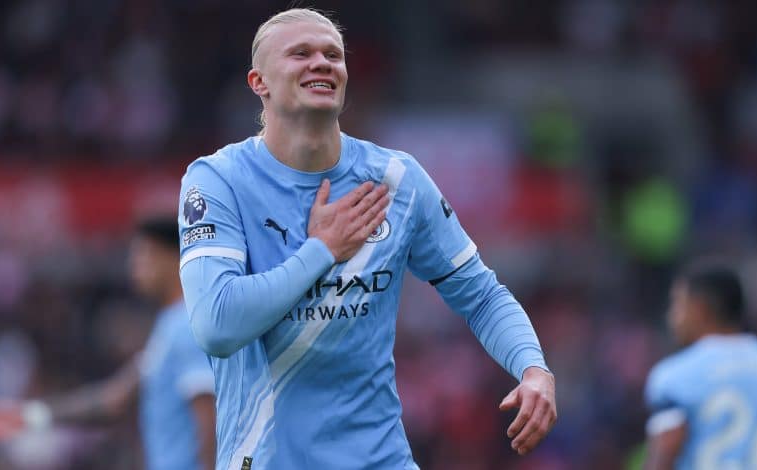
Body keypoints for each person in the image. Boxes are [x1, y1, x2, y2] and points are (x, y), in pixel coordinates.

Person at [178, 8, 556, 469]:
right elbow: (217, 326)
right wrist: (321, 251)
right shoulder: (219, 180)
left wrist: (533, 367)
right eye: (301, 53)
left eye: (333, 55)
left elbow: (480, 294)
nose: (322, 63)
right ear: (259, 82)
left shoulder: (396, 180)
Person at [0, 218, 216, 470]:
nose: (134, 267)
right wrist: (25, 416)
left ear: (171, 259)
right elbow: (113, 401)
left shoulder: (187, 327)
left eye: (142, 256)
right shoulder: (169, 326)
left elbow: (208, 421)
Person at [644, 262, 757, 470]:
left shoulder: (677, 375)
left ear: (699, 309)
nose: (672, 317)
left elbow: (667, 447)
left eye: (678, 304)